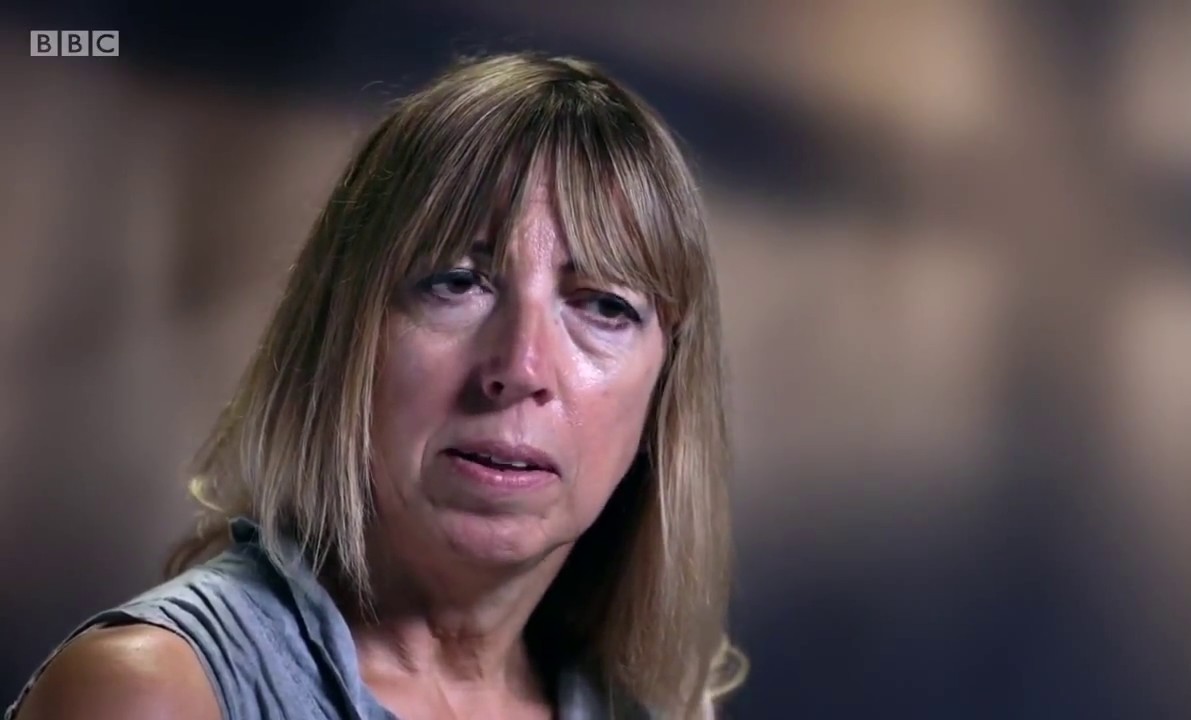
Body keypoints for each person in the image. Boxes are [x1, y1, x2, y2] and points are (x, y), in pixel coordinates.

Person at [5, 52, 746, 719]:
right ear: (344, 338)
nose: (521, 368)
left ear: (662, 393)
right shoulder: (151, 696)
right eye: (457, 283)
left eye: (604, 307)